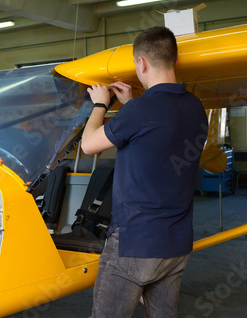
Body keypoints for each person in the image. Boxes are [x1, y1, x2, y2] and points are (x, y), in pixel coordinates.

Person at [81, 26, 208, 317]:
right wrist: (131, 104)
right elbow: (156, 134)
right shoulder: (196, 107)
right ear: (174, 61)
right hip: (176, 244)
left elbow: (89, 145)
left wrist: (100, 104)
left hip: (134, 242)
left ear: (142, 63)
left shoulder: (139, 112)